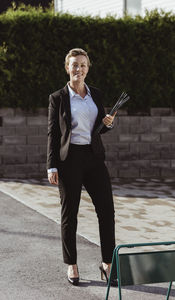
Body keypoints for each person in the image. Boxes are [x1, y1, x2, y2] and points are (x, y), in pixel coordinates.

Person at [47, 48, 117, 286]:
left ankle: (107, 263)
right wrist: (51, 166)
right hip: (69, 160)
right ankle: (72, 264)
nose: (79, 69)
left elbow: (98, 127)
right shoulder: (58, 98)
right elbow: (53, 133)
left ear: (88, 68)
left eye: (83, 65)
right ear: (67, 68)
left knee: (106, 210)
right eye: (74, 65)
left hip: (93, 157)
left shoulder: (95, 94)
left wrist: (107, 124)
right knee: (70, 214)